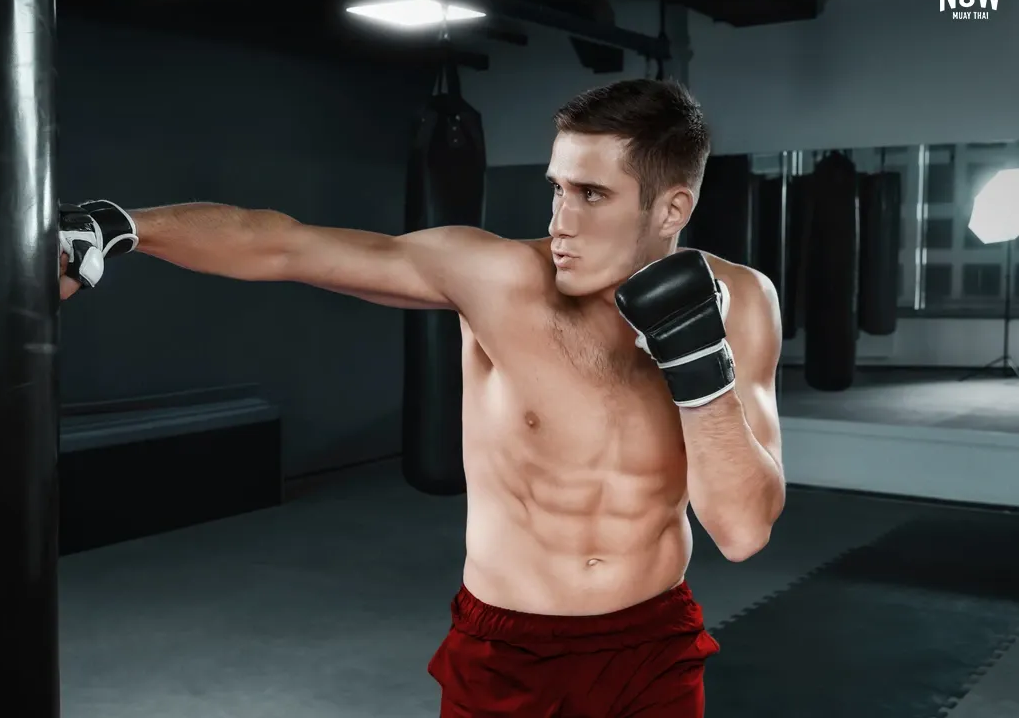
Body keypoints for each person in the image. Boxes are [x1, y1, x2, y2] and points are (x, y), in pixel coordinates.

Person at [59, 78, 785, 717]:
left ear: (672, 207)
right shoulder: (494, 277)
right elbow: (284, 244)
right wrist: (122, 227)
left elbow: (743, 531)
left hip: (650, 648)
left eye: (592, 195)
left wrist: (698, 363)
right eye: (557, 187)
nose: (561, 222)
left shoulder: (743, 303)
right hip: (511, 652)